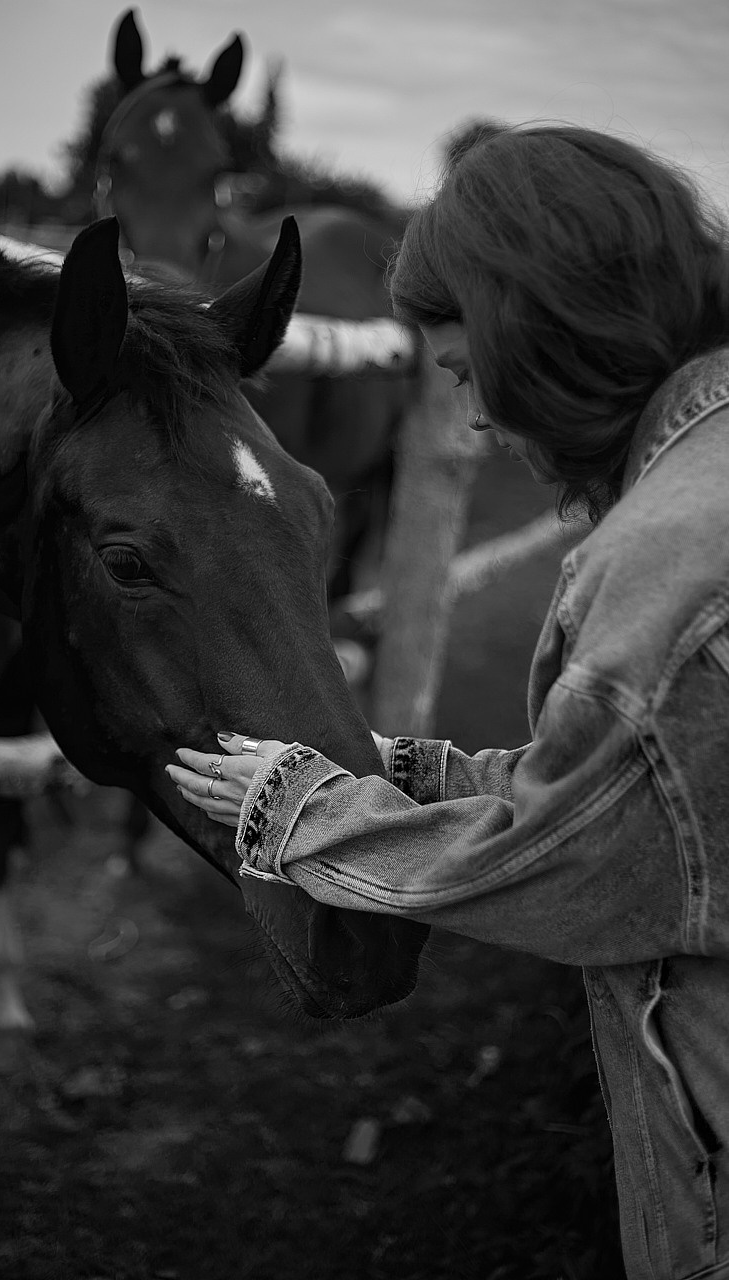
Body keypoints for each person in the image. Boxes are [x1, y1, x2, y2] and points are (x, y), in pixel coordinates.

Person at [166, 120, 729, 1280]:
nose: (470, 421)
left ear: (541, 332)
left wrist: (306, 807)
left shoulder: (670, 550)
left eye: (469, 375)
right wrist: (420, 771)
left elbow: (579, 858)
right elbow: (667, 801)